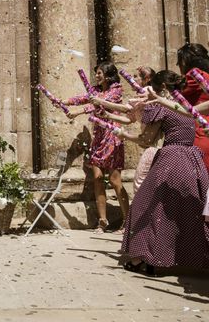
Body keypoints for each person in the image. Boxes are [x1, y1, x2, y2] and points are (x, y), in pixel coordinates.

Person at [114, 70, 209, 274]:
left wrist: (125, 135)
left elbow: (146, 140)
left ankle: (144, 259)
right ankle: (193, 259)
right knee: (190, 210)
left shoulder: (159, 109)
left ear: (160, 89)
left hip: (171, 159)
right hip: (193, 159)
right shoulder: (187, 106)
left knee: (145, 207)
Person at [62, 62, 129, 233]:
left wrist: (77, 112)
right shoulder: (95, 91)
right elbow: (82, 98)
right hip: (99, 138)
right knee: (97, 178)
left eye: (99, 73)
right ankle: (102, 221)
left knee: (115, 180)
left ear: (108, 74)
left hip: (112, 137)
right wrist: (64, 102)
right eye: (96, 73)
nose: (97, 76)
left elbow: (99, 104)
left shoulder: (117, 90)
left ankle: (127, 221)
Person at [91, 66, 159, 193]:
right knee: (144, 182)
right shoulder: (138, 96)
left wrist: (102, 102)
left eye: (136, 76)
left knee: (140, 183)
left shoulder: (148, 91)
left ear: (147, 79)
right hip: (148, 142)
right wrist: (108, 115)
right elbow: (129, 119)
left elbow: (125, 109)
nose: (132, 79)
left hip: (157, 142)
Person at [175, 43, 209, 171]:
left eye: (179, 63)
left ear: (184, 61)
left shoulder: (194, 75)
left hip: (200, 131)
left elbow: (176, 97)